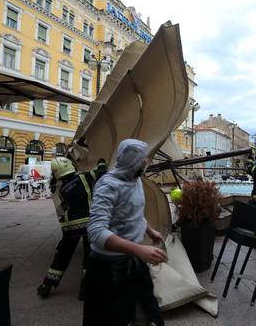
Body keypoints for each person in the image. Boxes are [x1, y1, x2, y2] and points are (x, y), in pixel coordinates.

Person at [83, 139, 166, 326]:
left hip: (133, 263)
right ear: (132, 161)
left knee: (147, 313)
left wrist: (149, 230)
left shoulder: (135, 179)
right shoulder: (108, 185)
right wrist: (139, 250)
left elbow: (131, 212)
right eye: (144, 159)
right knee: (111, 319)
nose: (147, 162)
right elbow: (96, 232)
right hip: (109, 269)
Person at [37, 157, 97, 300]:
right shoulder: (85, 177)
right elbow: (100, 172)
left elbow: (64, 207)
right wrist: (100, 161)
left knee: (63, 255)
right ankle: (85, 289)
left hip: (70, 227)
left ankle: (47, 284)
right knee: (89, 256)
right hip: (89, 223)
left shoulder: (62, 188)